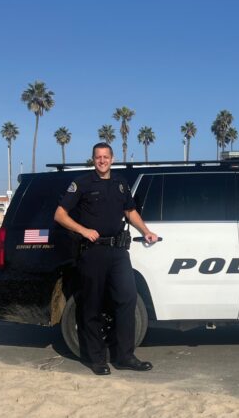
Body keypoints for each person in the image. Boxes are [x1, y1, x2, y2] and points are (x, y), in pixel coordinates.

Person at [54, 142, 159, 376]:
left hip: (118, 252)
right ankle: (96, 359)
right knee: (92, 304)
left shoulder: (120, 184)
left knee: (127, 300)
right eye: (98, 157)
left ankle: (125, 356)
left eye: (105, 157)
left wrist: (146, 231)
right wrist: (83, 230)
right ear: (93, 160)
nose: (102, 161)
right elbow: (60, 214)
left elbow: (130, 211)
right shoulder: (82, 183)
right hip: (93, 251)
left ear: (112, 159)